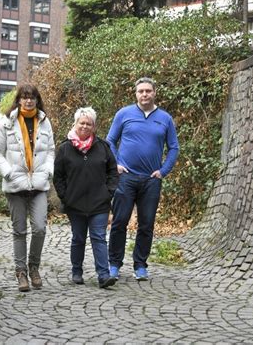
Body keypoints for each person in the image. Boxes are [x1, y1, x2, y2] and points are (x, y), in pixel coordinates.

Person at [107, 77, 179, 281]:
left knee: (146, 224)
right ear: (135, 93)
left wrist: (163, 171)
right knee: (120, 222)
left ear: (155, 92)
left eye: (148, 91)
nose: (144, 94)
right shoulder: (124, 114)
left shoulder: (165, 118)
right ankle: (114, 264)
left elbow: (174, 147)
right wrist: (116, 165)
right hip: (126, 178)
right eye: (141, 91)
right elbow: (110, 141)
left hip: (151, 180)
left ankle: (140, 265)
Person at [0, 84, 55, 292]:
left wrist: (48, 171)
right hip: (15, 184)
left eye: (32, 97)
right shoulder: (7, 122)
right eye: (25, 97)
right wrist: (8, 172)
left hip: (39, 184)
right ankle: (21, 272)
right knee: (19, 230)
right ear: (18, 100)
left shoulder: (44, 122)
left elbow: (51, 151)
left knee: (40, 228)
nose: (28, 101)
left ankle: (34, 267)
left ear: (37, 100)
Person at [53, 107, 118, 288]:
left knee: (98, 237)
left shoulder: (103, 147)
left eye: (89, 123)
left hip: (99, 203)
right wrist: (65, 196)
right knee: (78, 238)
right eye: (82, 123)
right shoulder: (65, 148)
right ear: (75, 124)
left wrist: (109, 192)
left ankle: (104, 276)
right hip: (75, 203)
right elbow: (58, 176)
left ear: (94, 126)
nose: (85, 126)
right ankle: (77, 271)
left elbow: (113, 171)